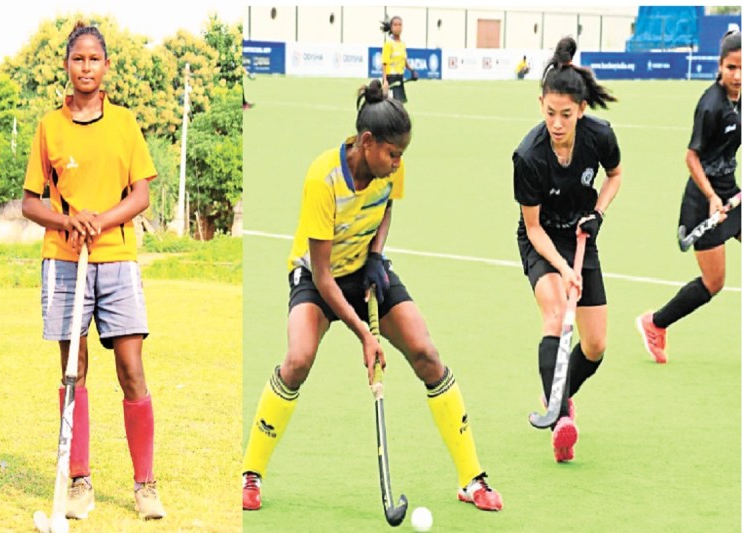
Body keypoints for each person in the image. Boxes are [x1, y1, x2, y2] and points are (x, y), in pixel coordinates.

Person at [241, 79, 503, 514]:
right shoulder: (322, 178)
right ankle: (251, 472)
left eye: (402, 156)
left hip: (365, 270)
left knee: (426, 353)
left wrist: (377, 256)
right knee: (298, 360)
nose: (398, 164)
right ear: (366, 143)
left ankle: (471, 478)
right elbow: (323, 277)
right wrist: (365, 333)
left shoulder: (389, 171)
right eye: (392, 154)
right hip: (318, 278)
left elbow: (387, 207)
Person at [21, 21, 165, 521]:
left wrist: (99, 220)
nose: (85, 67)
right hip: (64, 262)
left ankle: (145, 485)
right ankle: (79, 482)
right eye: (77, 59)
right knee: (73, 370)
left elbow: (141, 195)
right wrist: (68, 220)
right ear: (67, 65)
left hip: (117, 259)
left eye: (93, 59)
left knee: (131, 369)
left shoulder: (125, 124)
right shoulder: (48, 127)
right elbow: (29, 202)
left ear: (106, 67)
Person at [512, 36, 621, 463]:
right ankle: (559, 419)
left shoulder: (599, 136)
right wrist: (562, 269)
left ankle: (563, 396)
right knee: (556, 315)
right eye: (551, 113)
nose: (558, 123)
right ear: (541, 105)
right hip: (542, 241)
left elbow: (614, 176)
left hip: (581, 235)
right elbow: (533, 227)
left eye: (567, 115)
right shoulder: (528, 156)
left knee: (595, 345)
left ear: (581, 110)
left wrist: (598, 211)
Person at [637, 30, 741, 363]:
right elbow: (691, 157)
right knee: (714, 282)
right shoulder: (710, 106)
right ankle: (655, 323)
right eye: (731, 68)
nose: (737, 76)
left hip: (730, 190)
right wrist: (711, 196)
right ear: (720, 67)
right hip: (703, 199)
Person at [380, 15, 418, 103]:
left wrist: (412, 70)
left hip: (399, 78)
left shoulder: (402, 44)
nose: (398, 27)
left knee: (399, 105)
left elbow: (404, 61)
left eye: (400, 25)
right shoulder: (388, 44)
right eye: (395, 25)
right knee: (389, 106)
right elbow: (384, 64)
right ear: (391, 27)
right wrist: (385, 81)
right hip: (390, 79)